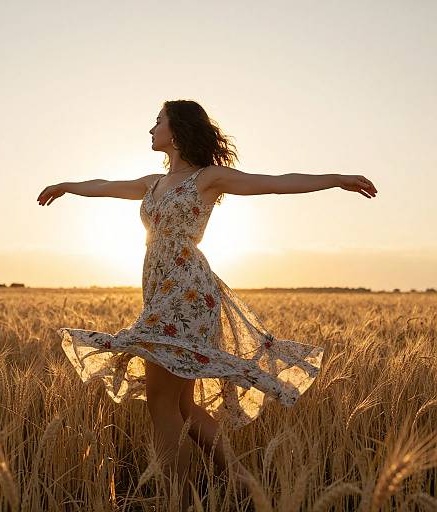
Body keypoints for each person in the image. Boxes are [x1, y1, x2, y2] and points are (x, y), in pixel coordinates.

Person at [37, 99, 378, 511]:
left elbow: (272, 182)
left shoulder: (207, 178)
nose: (151, 130)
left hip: (188, 292)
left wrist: (336, 178)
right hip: (160, 291)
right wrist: (68, 187)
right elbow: (104, 185)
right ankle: (243, 481)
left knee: (162, 404)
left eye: (157, 121)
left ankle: (177, 501)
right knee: (181, 404)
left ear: (176, 130)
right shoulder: (151, 183)